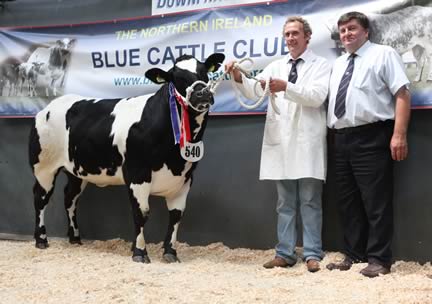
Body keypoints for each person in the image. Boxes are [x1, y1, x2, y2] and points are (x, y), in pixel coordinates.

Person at [225, 16, 331, 272]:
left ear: (307, 36)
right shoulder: (275, 65)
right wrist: (237, 74)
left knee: (309, 201)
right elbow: (253, 91)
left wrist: (286, 87)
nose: (291, 38)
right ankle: (284, 252)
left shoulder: (322, 65)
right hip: (281, 141)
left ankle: (312, 253)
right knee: (284, 202)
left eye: (295, 33)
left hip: (307, 142)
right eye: (287, 34)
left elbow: (316, 97)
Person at [326, 11, 411, 278]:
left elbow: (402, 94)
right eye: (342, 31)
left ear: (366, 31)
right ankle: (353, 254)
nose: (346, 34)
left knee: (376, 201)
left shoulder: (383, 54)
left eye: (352, 29)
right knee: (348, 202)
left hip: (373, 135)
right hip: (341, 138)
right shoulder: (339, 63)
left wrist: (399, 135)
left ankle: (379, 259)